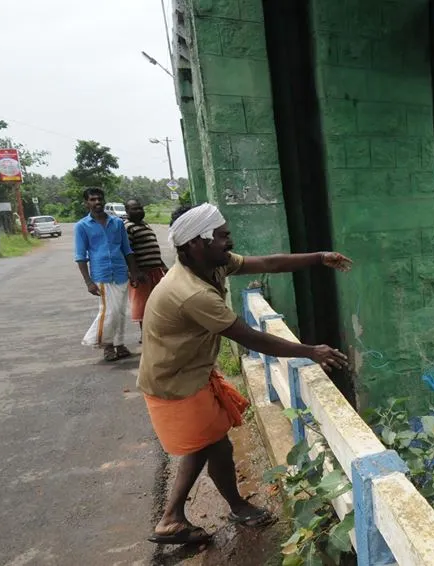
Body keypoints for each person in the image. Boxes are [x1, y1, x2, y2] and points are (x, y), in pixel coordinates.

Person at [138, 203, 351, 545]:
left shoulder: (211, 267)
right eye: (222, 236)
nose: (230, 241)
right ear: (196, 243)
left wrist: (319, 257)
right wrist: (310, 351)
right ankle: (199, 512)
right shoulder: (190, 292)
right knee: (212, 445)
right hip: (175, 381)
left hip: (190, 373)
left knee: (210, 444)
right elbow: (249, 337)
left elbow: (269, 263)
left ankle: (174, 517)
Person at [75, 188, 143, 362]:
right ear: (86, 203)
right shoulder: (82, 226)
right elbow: (81, 256)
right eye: (92, 199)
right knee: (109, 311)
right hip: (102, 274)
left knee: (120, 312)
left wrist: (133, 272)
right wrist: (88, 282)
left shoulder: (117, 223)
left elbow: (127, 249)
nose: (97, 202)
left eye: (99, 198)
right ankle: (106, 345)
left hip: (121, 272)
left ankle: (119, 345)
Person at [124, 199, 168, 342]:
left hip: (155, 270)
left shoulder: (145, 225)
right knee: (144, 305)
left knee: (157, 302)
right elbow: (127, 251)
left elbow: (152, 247)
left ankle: (156, 332)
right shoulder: (127, 227)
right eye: (134, 209)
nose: (138, 211)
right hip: (142, 272)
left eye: (140, 208)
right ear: (127, 211)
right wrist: (134, 272)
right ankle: (146, 335)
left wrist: (163, 265)